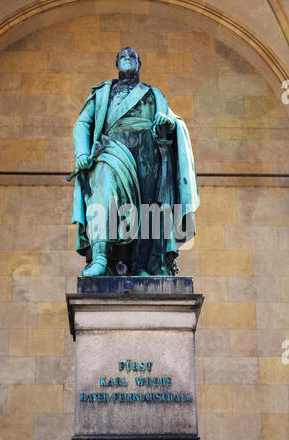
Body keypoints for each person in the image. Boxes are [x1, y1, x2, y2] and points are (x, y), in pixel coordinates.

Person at [71, 47, 200, 276]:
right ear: (117, 64)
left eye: (132, 57)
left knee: (148, 208)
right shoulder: (103, 93)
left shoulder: (152, 93)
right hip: (111, 148)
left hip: (148, 152)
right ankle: (100, 257)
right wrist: (81, 153)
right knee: (103, 194)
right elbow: (83, 123)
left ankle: (142, 265)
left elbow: (172, 120)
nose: (128, 59)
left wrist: (170, 124)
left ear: (139, 63)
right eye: (123, 56)